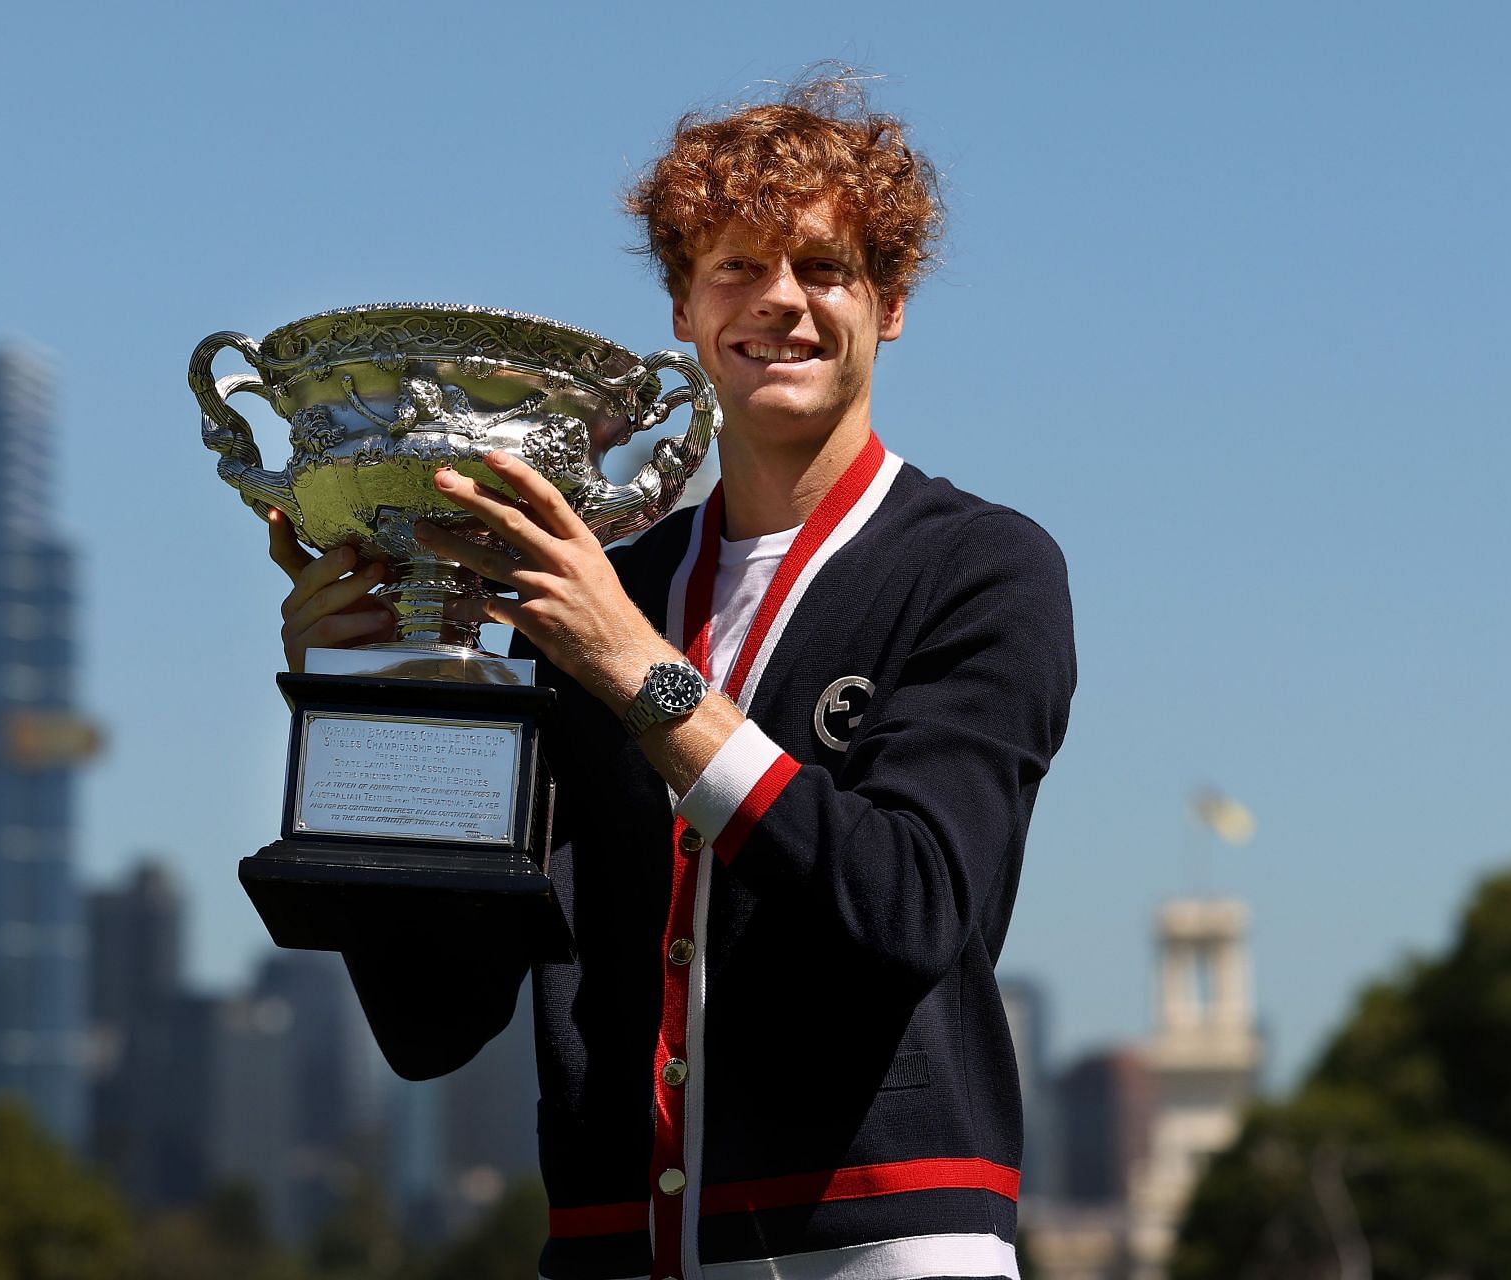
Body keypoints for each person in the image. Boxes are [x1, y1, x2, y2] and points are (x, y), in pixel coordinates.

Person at [269, 79, 1075, 1280]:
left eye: (825, 266)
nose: (781, 302)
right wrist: (362, 688)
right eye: (737, 267)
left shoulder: (977, 565)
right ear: (685, 310)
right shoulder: (588, 593)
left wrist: (641, 675)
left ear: (892, 302)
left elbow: (907, 904)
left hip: (880, 1243)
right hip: (608, 1247)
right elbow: (436, 1021)